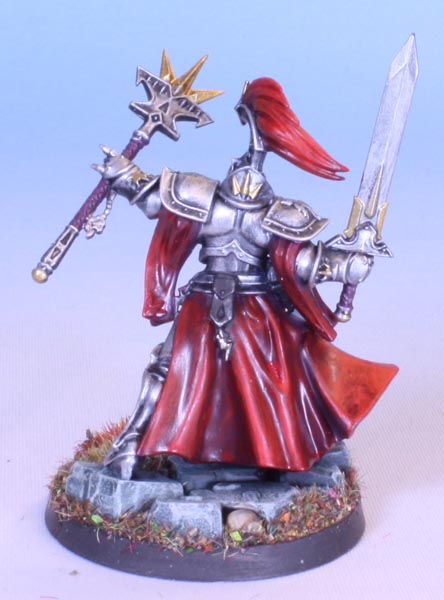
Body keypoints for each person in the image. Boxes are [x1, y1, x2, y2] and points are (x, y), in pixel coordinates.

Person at [97, 77, 398, 480]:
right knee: (169, 368)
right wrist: (126, 176)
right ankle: (131, 445)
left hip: (248, 311)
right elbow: (155, 199)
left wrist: (344, 266)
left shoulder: (268, 214)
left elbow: (304, 261)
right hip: (212, 304)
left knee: (265, 383)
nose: (244, 175)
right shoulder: (204, 197)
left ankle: (263, 454)